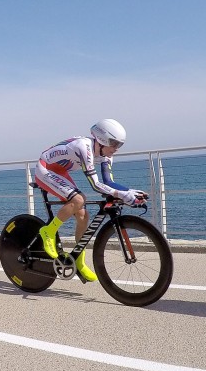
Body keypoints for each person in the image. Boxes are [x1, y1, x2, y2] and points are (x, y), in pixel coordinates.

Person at [34, 120, 147, 283]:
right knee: (79, 199)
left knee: (83, 216)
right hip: (45, 169)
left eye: (119, 145)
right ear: (102, 140)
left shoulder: (106, 155)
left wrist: (129, 191)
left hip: (60, 171)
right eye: (114, 144)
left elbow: (108, 182)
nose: (116, 149)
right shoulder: (84, 147)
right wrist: (122, 195)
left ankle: (78, 259)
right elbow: (95, 185)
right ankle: (48, 232)